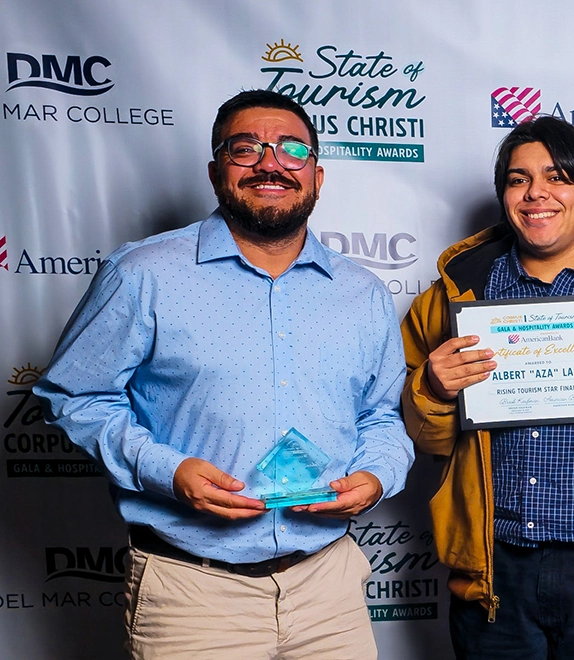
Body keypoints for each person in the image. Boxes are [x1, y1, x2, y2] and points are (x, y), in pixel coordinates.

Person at [33, 89, 414, 659]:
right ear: (216, 172)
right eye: (246, 149)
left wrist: (378, 475)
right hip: (194, 593)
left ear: (316, 176)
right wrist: (166, 471)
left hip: (329, 589)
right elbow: (75, 396)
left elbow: (380, 416)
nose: (270, 163)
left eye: (292, 149)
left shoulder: (362, 293)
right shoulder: (143, 273)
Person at [400, 116, 574, 659]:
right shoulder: (452, 299)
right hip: (493, 566)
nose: (535, 193)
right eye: (518, 179)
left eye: (557, 177)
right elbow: (422, 440)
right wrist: (431, 389)